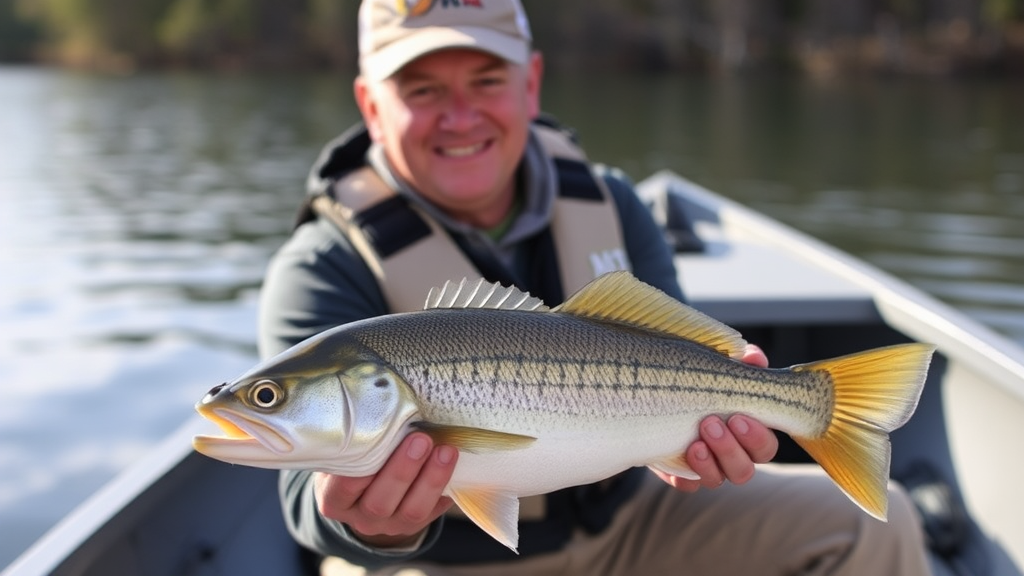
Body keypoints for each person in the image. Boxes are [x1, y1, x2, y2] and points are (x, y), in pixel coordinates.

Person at [259, 0, 932, 574]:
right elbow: (302, 500)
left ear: (531, 84)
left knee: (879, 521)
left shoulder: (613, 204)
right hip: (443, 560)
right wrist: (381, 528)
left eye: (487, 80)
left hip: (634, 520)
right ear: (371, 104)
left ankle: (822, 409)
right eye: (422, 90)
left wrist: (693, 450)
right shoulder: (319, 264)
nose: (460, 117)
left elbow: (679, 352)